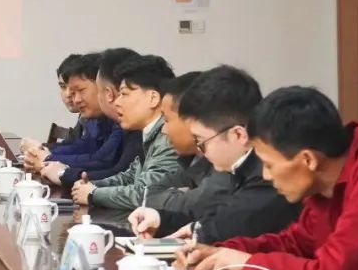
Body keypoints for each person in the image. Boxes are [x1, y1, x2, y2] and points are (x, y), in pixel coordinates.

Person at [176, 86, 358, 270]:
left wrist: (248, 264)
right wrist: (219, 253)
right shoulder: (323, 183)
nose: (266, 176)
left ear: (307, 159)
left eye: (269, 165)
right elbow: (296, 243)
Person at [128, 66, 300, 243]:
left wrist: (196, 230)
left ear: (238, 135)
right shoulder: (239, 165)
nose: (200, 151)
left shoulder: (267, 174)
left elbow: (230, 224)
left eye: (201, 141)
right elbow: (212, 217)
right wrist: (160, 220)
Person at [72, 54, 181, 209]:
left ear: (153, 98)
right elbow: (130, 177)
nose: (117, 102)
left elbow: (146, 194)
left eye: (124, 94)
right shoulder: (150, 132)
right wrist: (92, 185)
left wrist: (93, 194)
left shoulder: (168, 137)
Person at [32, 53, 127, 184]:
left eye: (81, 90)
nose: (75, 99)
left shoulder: (126, 123)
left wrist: (55, 165)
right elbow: (84, 146)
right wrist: (44, 153)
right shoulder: (98, 118)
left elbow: (107, 163)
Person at [143, 71, 229, 214]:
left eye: (167, 120)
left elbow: (199, 205)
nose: (164, 130)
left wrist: (181, 197)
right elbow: (150, 196)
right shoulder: (192, 160)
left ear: (192, 120)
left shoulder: (224, 164)